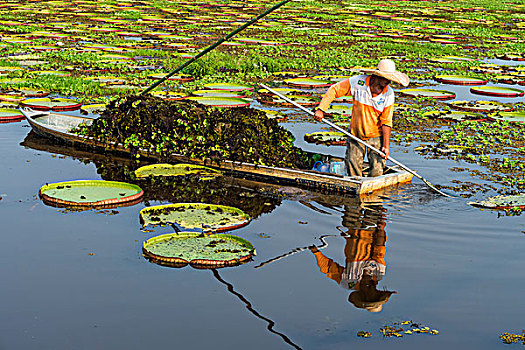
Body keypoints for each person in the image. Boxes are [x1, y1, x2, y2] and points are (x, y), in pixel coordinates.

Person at [314, 59, 409, 177]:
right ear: (377, 75)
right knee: (353, 169)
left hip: (376, 136)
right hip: (356, 133)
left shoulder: (388, 94)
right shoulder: (358, 82)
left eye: (390, 79)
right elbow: (334, 90)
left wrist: (385, 146)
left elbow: (386, 122)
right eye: (386, 78)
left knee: (377, 171)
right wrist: (321, 109)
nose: (388, 81)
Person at [309, 201, 396, 312]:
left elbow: (329, 269)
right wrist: (381, 228)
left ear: (364, 297)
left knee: (352, 203)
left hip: (352, 230)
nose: (371, 293)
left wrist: (316, 252)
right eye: (374, 295)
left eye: (370, 297)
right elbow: (379, 248)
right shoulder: (379, 273)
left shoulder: (348, 283)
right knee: (374, 203)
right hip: (370, 230)